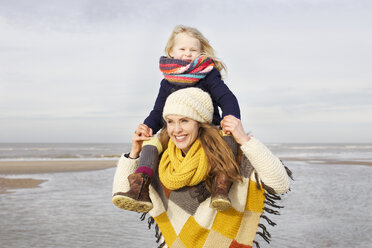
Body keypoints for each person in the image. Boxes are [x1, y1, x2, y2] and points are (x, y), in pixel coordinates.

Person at [112, 88, 291, 248]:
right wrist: (134, 152)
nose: (176, 129)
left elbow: (280, 184)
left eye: (184, 120)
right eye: (170, 121)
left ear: (200, 122)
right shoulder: (162, 160)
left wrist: (243, 139)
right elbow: (121, 192)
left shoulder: (228, 154)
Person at [118, 25, 241, 212]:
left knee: (227, 138)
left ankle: (221, 184)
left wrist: (230, 119)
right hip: (175, 128)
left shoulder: (208, 74)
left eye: (193, 50)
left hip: (206, 126)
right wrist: (147, 127)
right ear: (171, 52)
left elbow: (226, 97)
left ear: (201, 52)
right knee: (151, 143)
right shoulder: (167, 81)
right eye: (182, 49)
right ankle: (140, 187)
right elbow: (158, 111)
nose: (187, 54)